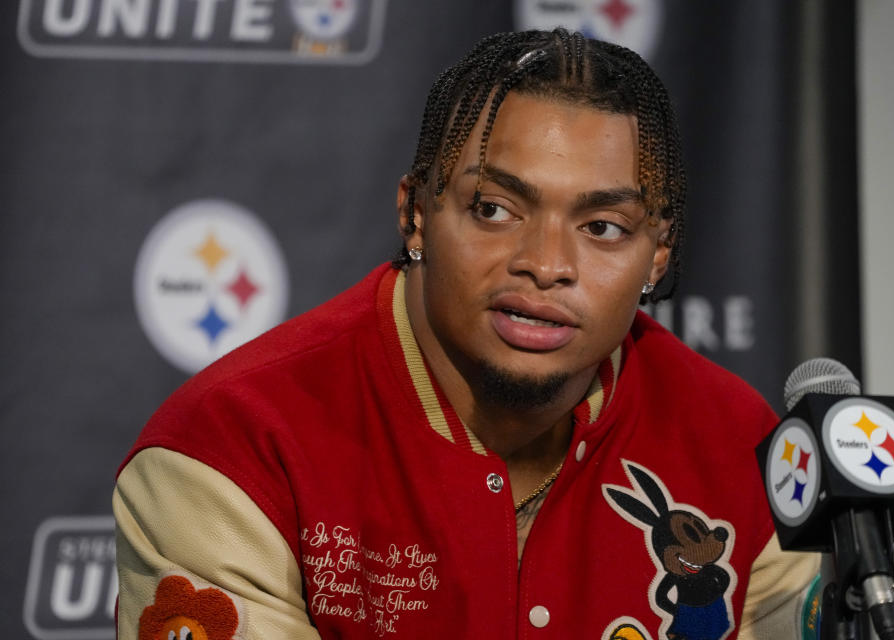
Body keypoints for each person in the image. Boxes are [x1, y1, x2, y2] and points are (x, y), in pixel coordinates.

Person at [115, 29, 819, 640]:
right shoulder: (234, 446)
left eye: (603, 228)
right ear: (415, 214)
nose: (546, 265)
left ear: (657, 256)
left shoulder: (742, 454)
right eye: (493, 208)